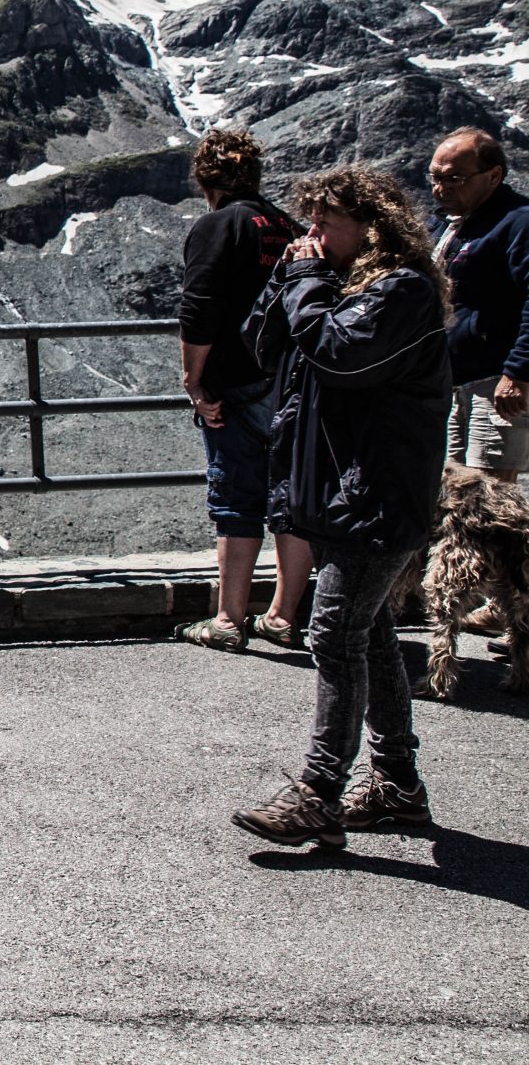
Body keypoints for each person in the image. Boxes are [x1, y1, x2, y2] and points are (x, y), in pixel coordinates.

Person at [232, 166, 451, 849]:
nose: (314, 234)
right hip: (336, 492)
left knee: (333, 634)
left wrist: (306, 283)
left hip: (376, 493)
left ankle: (320, 793)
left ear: (371, 226)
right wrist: (289, 279)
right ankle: (398, 785)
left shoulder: (402, 290)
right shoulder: (335, 285)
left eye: (327, 223)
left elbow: (341, 356)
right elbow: (261, 346)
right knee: (369, 634)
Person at [175, 129, 310, 651]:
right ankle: (282, 615)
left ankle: (229, 620)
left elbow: (199, 308)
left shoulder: (217, 225)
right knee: (292, 496)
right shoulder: (287, 226)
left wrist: (194, 380)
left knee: (235, 498)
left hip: (235, 383)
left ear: (204, 180)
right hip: (293, 383)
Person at [428, 127, 529, 483]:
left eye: (454, 179)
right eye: (435, 178)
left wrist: (518, 372)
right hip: (452, 379)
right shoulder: (446, 223)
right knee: (452, 488)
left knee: (491, 491)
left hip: (499, 382)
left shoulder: (518, 222)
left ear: (494, 175)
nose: (441, 189)